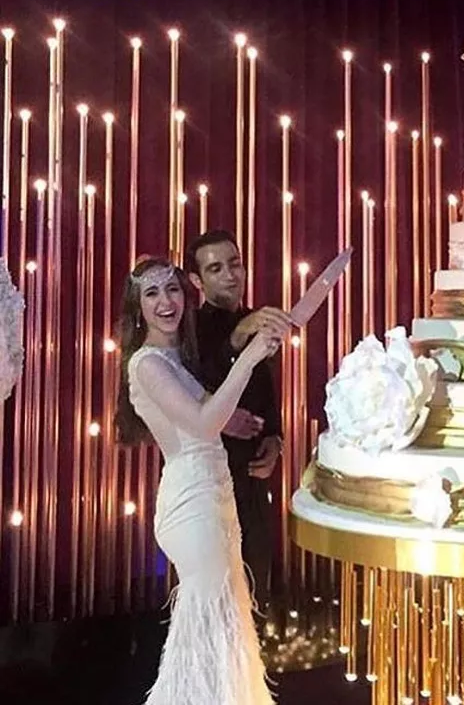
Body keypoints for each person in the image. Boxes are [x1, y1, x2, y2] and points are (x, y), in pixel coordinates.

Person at [115, 257, 290, 704]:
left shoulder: (180, 358)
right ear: (138, 307)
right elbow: (206, 421)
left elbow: (218, 414)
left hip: (218, 496)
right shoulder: (146, 365)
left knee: (228, 620)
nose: (165, 301)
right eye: (151, 294)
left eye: (171, 290)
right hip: (190, 504)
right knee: (206, 623)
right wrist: (249, 357)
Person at [185, 229, 285, 611]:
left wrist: (276, 439)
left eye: (235, 264)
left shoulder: (255, 319)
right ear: (197, 280)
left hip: (255, 478)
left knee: (254, 591)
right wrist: (239, 335)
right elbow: (201, 385)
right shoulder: (187, 327)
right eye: (215, 268)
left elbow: (267, 390)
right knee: (211, 598)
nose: (230, 275)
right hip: (208, 480)